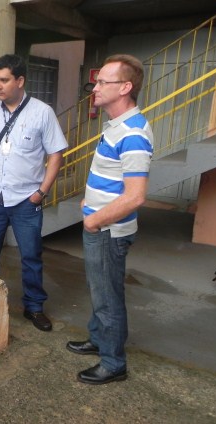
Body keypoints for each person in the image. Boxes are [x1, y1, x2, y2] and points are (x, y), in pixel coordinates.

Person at [66, 54, 153, 384]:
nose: (95, 88)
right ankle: (99, 339)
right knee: (99, 289)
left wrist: (93, 220)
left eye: (103, 82)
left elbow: (136, 195)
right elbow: (114, 177)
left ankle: (114, 362)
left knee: (107, 296)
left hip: (108, 230)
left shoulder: (133, 134)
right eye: (96, 81)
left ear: (125, 87)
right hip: (102, 224)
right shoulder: (118, 127)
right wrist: (91, 201)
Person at [0, 54, 68, 332]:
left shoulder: (42, 112)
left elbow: (56, 155)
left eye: (4, 80)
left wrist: (41, 192)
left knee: (31, 256)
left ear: (20, 80)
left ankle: (34, 307)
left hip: (27, 200)